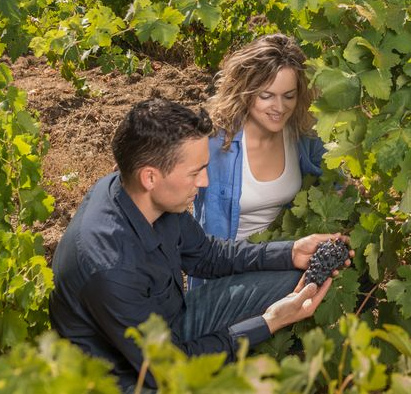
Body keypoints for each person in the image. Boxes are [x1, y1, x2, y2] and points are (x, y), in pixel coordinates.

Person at [50, 98, 348, 392]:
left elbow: (207, 255)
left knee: (299, 279)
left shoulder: (143, 194)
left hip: (170, 326)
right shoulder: (110, 266)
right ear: (150, 177)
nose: (204, 181)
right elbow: (170, 369)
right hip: (132, 377)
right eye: (195, 172)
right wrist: (268, 322)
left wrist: (290, 252)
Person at [194, 34, 325, 245]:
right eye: (266, 96)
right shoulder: (213, 143)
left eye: (289, 96)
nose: (280, 108)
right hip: (227, 260)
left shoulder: (302, 134)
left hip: (286, 252)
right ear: (245, 91)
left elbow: (332, 181)